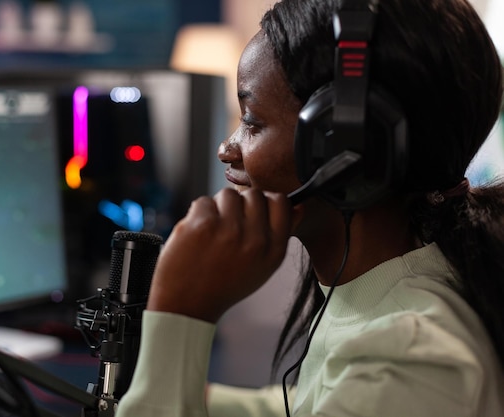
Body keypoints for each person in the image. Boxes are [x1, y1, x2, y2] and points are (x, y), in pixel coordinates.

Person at [116, 0, 504, 415]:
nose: (226, 149)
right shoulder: (392, 302)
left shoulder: (410, 359)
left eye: (250, 121)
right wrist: (192, 393)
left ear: (348, 151)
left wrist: (180, 314)